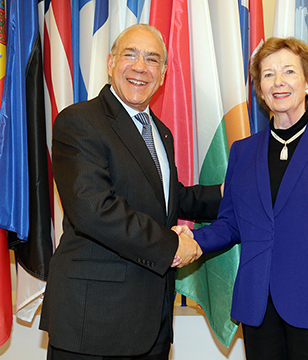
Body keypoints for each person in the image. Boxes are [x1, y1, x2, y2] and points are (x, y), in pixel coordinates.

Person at [176, 37, 308, 359]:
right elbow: (231, 224)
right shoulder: (243, 151)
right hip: (259, 306)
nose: (278, 82)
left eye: (289, 72)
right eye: (268, 75)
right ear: (260, 90)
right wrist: (193, 240)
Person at [39, 24, 222, 360]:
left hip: (151, 323)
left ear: (164, 74)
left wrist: (227, 194)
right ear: (110, 63)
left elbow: (166, 198)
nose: (141, 67)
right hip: (94, 321)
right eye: (130, 55)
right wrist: (173, 246)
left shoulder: (160, 132)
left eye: (152, 60)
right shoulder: (79, 121)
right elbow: (94, 210)